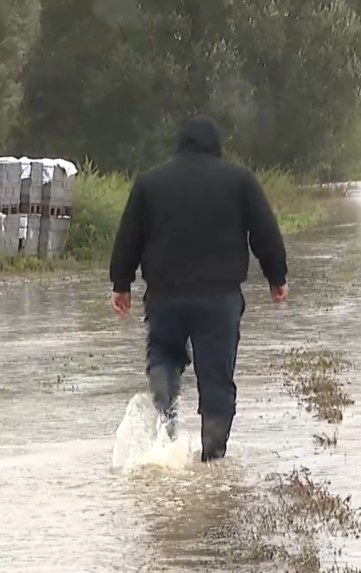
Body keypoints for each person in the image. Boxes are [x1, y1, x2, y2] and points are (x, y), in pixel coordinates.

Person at [109, 116, 289, 462]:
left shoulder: (151, 183)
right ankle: (213, 456)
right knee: (216, 377)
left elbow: (129, 234)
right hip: (218, 298)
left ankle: (168, 424)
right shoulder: (239, 181)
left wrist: (121, 283)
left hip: (165, 296)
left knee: (163, 353)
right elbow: (265, 232)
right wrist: (276, 277)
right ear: (216, 145)